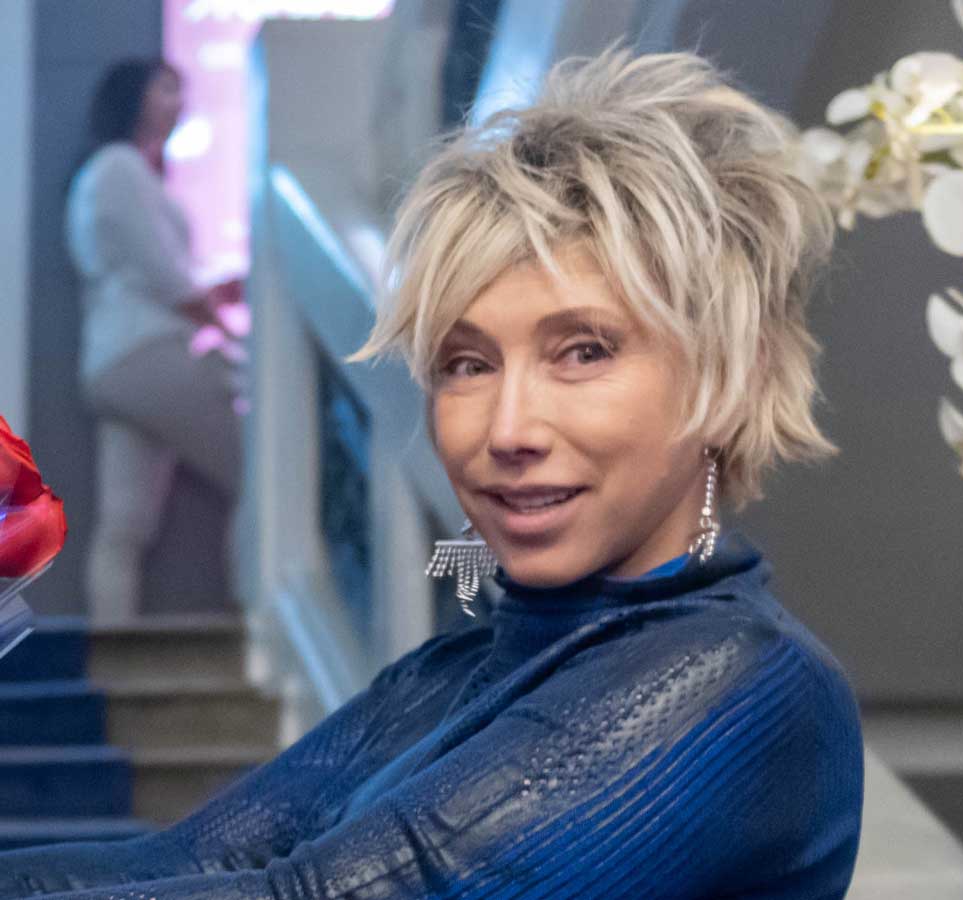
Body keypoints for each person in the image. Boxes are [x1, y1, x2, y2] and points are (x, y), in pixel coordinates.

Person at [0, 48, 863, 897]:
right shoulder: (451, 671)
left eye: (583, 351)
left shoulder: (741, 679)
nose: (508, 429)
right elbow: (190, 861)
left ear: (727, 375)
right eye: (467, 364)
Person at [65, 59, 244, 623]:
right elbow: (166, 279)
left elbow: (146, 274)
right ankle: (253, 629)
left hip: (114, 364)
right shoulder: (120, 167)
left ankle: (111, 650)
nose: (179, 102)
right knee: (258, 473)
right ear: (134, 97)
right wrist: (225, 327)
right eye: (166, 88)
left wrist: (214, 295)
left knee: (124, 523)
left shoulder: (107, 175)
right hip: (147, 354)